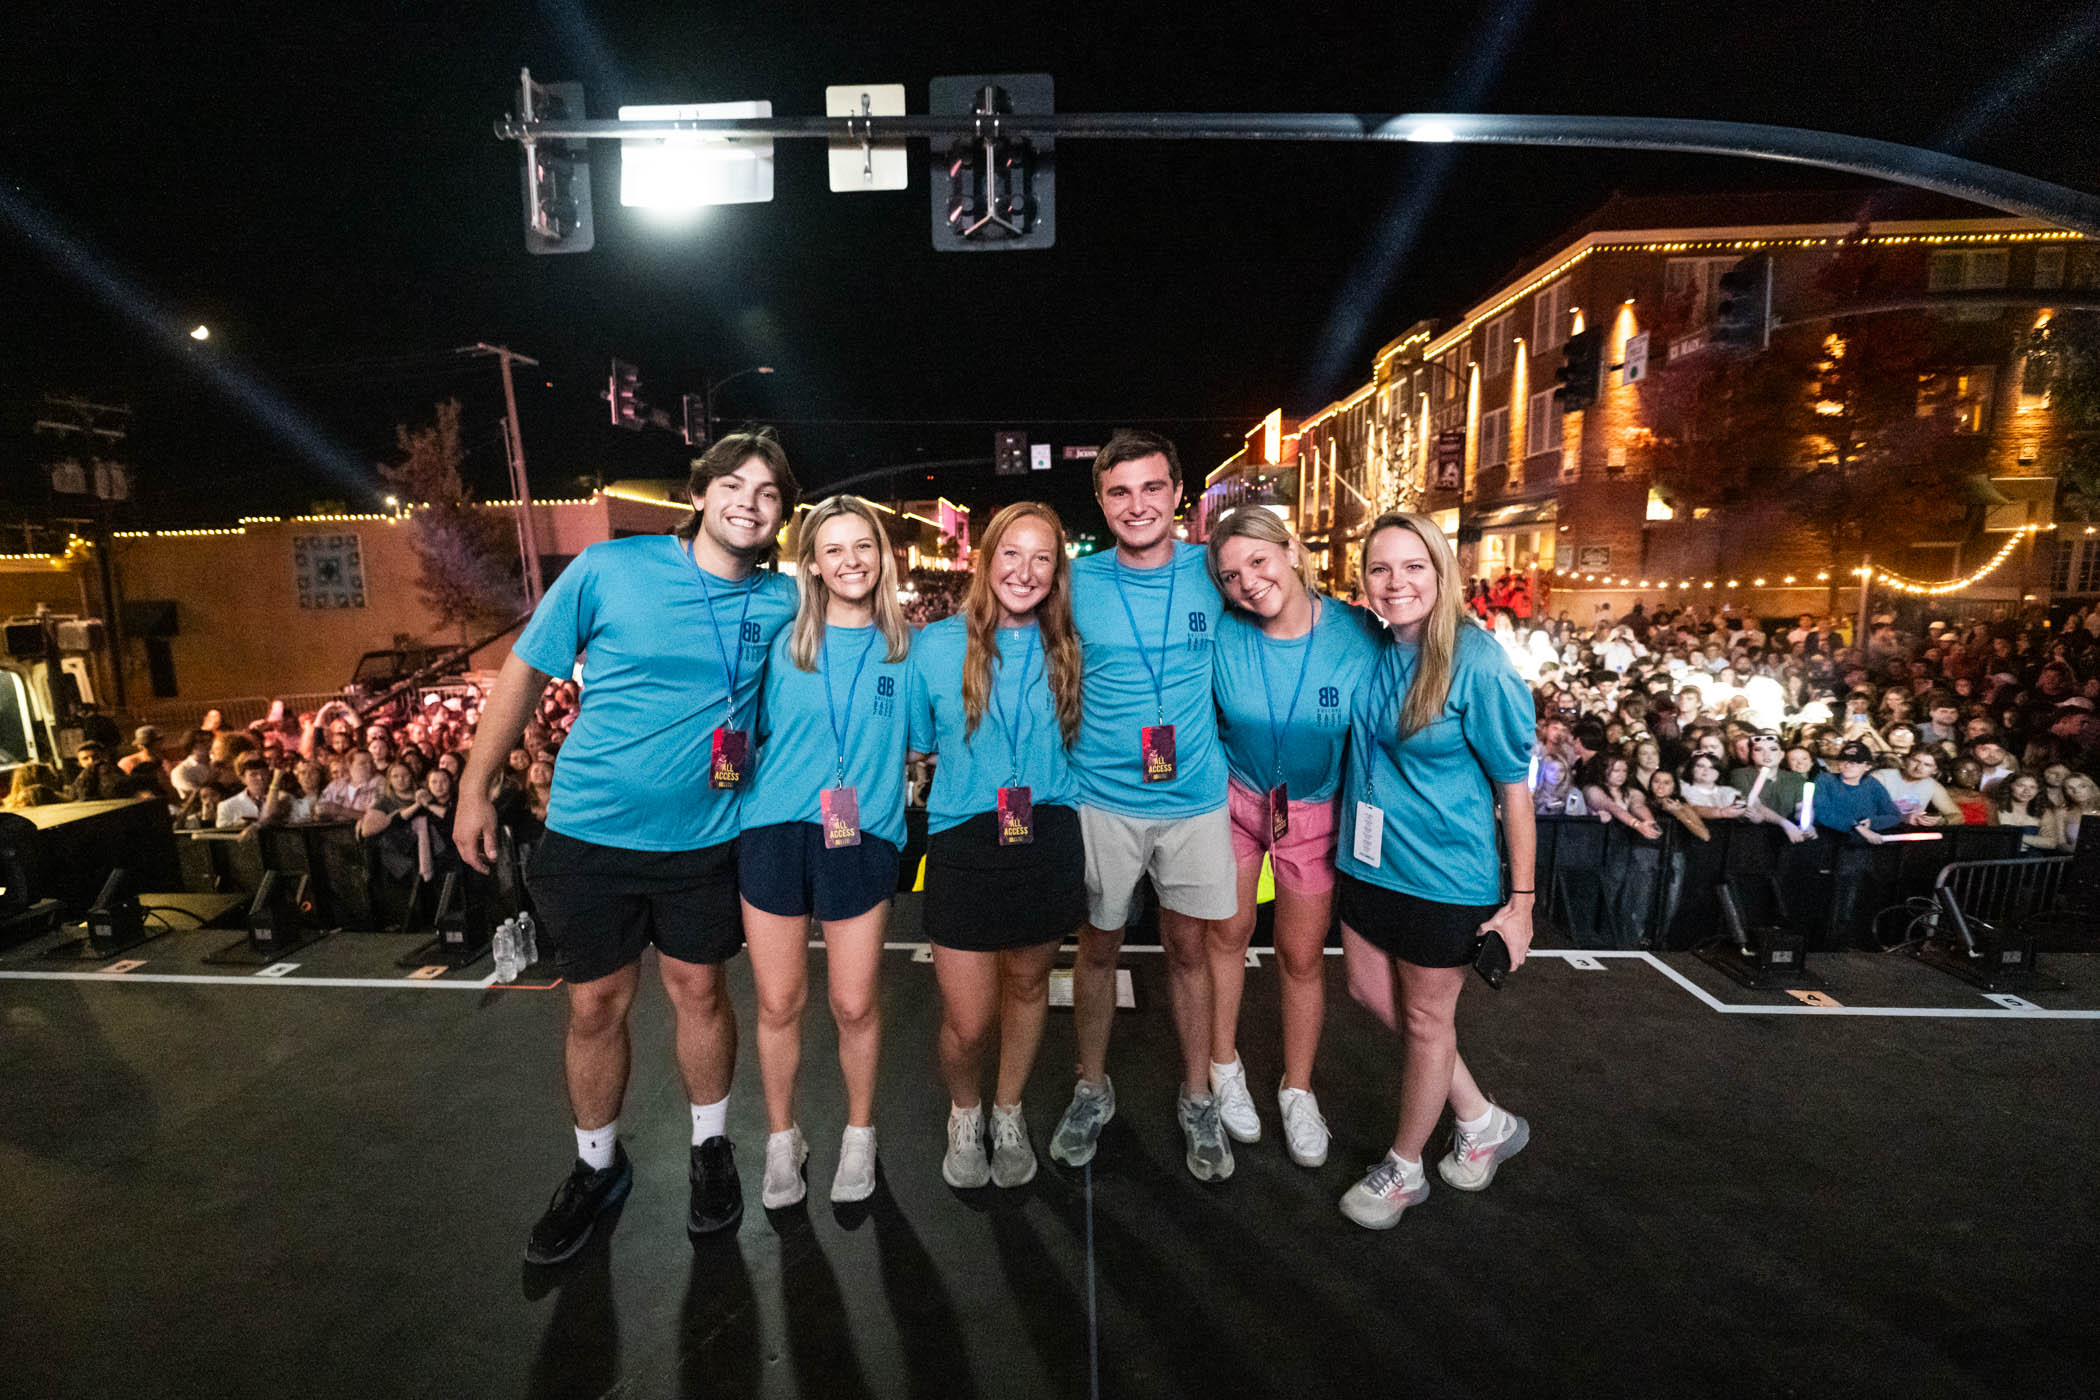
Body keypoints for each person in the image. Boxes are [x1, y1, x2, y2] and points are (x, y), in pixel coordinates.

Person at [454, 430, 800, 1264]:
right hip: (589, 833)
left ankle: (711, 1149)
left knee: (699, 993)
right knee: (593, 1006)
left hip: (709, 840)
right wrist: (474, 785)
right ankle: (596, 1167)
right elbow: (525, 673)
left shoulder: (786, 602)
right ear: (699, 493)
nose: (748, 503)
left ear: (782, 516)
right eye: (734, 486)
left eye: (768, 494)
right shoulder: (610, 571)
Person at [1332, 513, 1535, 1230]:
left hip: (1444, 878)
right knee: (1368, 991)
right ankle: (1481, 1119)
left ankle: (1405, 1168)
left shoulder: (1476, 662)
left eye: (1413, 566)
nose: (1397, 583)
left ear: (1441, 571)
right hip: (1366, 862)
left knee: (1425, 1020)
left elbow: (1516, 788)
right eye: (1381, 569)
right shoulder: (1374, 644)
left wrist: (1522, 902)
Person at [1048, 431, 1239, 1182]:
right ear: (1101, 500)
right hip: (1100, 796)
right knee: (1096, 949)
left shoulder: (1213, 574)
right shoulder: (1076, 582)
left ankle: (1198, 1096)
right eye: (1120, 492)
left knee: (1189, 950)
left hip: (1194, 799)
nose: (1137, 505)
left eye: (1152, 488)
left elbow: (1289, 606)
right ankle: (1091, 1087)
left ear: (1178, 493)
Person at [739, 494, 914, 1207]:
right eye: (834, 549)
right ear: (810, 564)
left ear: (882, 554)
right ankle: (783, 1139)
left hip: (861, 836)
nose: (851, 561)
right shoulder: (783, 647)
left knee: (852, 1002)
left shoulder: (909, 651)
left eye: (863, 546)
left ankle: (858, 1132)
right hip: (775, 831)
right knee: (779, 1001)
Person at [906, 502, 1086, 1190]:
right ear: (984, 559)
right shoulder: (936, 646)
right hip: (963, 841)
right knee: (970, 1020)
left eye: (1042, 558)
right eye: (1011, 553)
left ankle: (1007, 1111)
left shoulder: (1068, 646)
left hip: (1048, 837)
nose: (1025, 570)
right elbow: (919, 747)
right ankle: (965, 1109)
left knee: (1030, 983)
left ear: (1057, 572)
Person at [1204, 504, 1380, 1168]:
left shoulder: (1360, 633)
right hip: (1235, 798)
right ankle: (1224, 1064)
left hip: (1315, 812)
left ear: (1293, 549)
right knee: (1227, 931)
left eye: (1258, 560)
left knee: (1301, 956)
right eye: (1229, 575)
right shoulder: (1223, 634)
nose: (1247, 582)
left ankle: (1297, 1088)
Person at [1810, 740, 1904, 845]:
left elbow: (1894, 815)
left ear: (1868, 766)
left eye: (1855, 762)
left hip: (1863, 843)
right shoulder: (1825, 779)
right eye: (1843, 760)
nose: (1847, 765)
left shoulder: (1872, 784)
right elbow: (1822, 812)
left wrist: (1873, 822)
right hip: (1830, 839)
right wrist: (1856, 826)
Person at [1873, 749, 1963, 827]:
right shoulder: (1881, 777)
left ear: (1935, 770)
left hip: (1908, 836)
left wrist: (1942, 821)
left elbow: (1958, 816)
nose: (1919, 768)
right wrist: (1902, 818)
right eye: (1915, 761)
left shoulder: (1932, 785)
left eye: (1927, 765)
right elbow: (1863, 812)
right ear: (1906, 760)